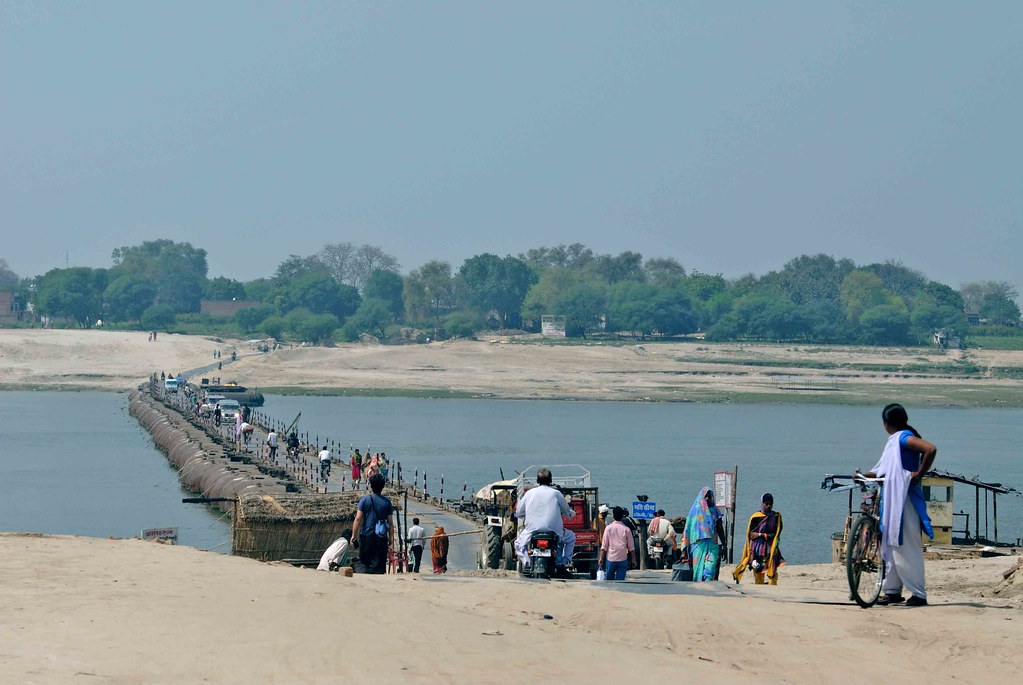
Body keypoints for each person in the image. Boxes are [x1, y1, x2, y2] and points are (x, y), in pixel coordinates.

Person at [859, 403, 937, 607]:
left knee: (907, 546)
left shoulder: (903, 437)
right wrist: (861, 475)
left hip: (905, 500)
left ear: (886, 423)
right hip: (893, 500)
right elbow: (882, 471)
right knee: (892, 544)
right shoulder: (894, 441)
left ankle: (919, 594)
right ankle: (892, 591)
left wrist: (919, 474)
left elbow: (930, 449)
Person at [513, 469, 576, 572]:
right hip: (554, 532)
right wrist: (572, 514)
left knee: (518, 544)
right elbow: (567, 512)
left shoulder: (529, 493)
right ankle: (564, 563)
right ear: (550, 480)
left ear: (537, 480)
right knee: (571, 537)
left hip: (532, 531)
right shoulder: (556, 493)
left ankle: (527, 562)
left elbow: (519, 513)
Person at [733, 494, 784, 585]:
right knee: (758, 574)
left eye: (771, 504)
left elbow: (776, 533)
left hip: (771, 550)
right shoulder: (755, 517)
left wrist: (761, 535)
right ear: (762, 503)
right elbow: (751, 536)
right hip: (757, 550)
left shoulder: (776, 517)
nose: (768, 506)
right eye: (766, 504)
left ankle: (773, 592)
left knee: (772, 573)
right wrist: (750, 555)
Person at [350, 473, 394, 574]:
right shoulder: (387, 502)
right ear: (382, 487)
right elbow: (390, 523)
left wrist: (353, 536)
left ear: (371, 485)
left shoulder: (365, 500)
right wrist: (391, 539)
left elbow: (358, 519)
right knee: (379, 565)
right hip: (381, 537)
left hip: (367, 536)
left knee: (364, 562)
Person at [683, 487, 726, 582]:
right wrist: (684, 548)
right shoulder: (695, 511)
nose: (707, 499)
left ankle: (708, 583)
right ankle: (699, 585)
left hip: (712, 544)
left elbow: (720, 528)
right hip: (698, 545)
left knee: (710, 566)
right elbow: (688, 529)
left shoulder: (715, 511)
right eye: (705, 496)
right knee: (698, 568)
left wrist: (724, 545)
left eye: (709, 496)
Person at [598, 506, 637, 581]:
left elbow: (604, 546)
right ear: (622, 516)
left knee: (609, 580)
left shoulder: (608, 528)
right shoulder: (627, 529)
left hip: (611, 558)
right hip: (623, 558)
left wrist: (601, 558)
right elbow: (631, 547)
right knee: (620, 581)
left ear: (613, 516)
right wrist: (633, 559)